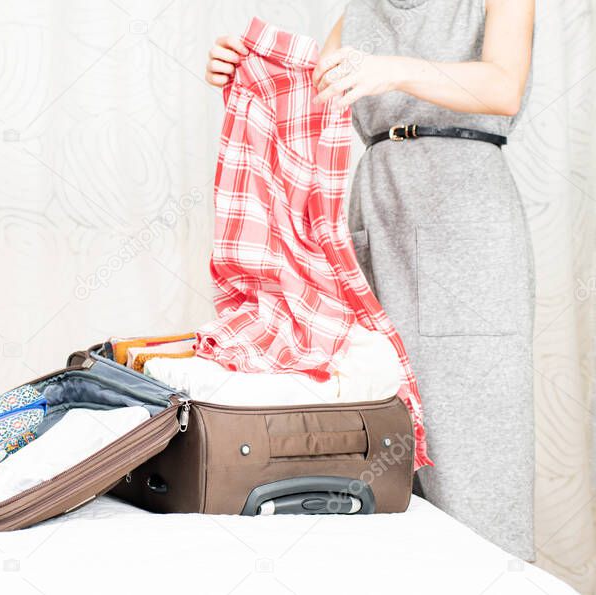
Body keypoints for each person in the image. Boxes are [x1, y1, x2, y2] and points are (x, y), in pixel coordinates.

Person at [204, 0, 536, 559]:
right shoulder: (357, 14)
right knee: (375, 414)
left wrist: (393, 67)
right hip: (374, 210)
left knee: (477, 441)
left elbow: (504, 85)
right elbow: (305, 108)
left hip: (465, 217)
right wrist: (242, 72)